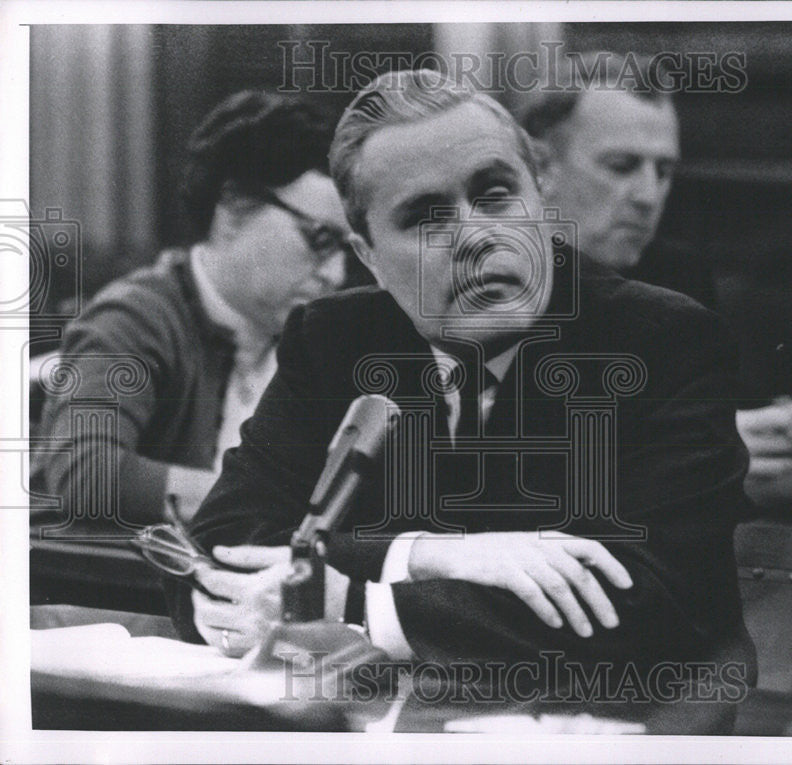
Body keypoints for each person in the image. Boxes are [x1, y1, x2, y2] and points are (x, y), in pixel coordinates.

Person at [169, 71, 754, 697]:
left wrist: (354, 600)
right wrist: (430, 556)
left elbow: (656, 602)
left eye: (497, 195)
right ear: (368, 257)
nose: (478, 237)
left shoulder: (662, 339)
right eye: (426, 216)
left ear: (539, 198)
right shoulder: (335, 338)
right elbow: (218, 553)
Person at [518, 52, 792, 512]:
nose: (648, 196)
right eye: (622, 166)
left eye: (663, 172)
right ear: (541, 169)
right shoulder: (487, 290)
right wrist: (690, 452)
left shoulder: (676, 276)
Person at [33, 91, 352, 526]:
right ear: (232, 207)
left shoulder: (308, 336)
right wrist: (265, 503)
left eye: (348, 250)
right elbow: (85, 473)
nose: (335, 274)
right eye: (320, 240)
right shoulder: (136, 318)